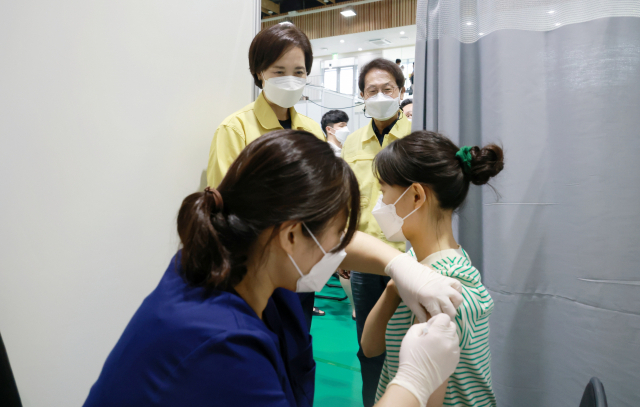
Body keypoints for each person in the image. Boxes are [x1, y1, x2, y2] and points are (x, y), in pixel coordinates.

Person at [83, 130, 463, 407]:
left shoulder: (216, 258)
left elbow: (334, 246)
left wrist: (396, 263)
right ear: (291, 235)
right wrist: (415, 381)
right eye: (336, 236)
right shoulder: (223, 346)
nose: (338, 253)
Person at [361, 131, 504, 406]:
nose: (380, 205)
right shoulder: (425, 262)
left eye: (383, 192)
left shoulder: (440, 297)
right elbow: (370, 348)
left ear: (416, 196)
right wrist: (393, 287)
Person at [207, 23, 326, 326]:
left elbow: (324, 198)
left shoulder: (313, 132)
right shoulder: (236, 129)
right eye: (278, 71)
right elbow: (224, 207)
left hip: (304, 265)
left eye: (299, 72)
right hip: (256, 270)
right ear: (259, 72)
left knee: (298, 349)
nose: (290, 80)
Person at [341, 57, 411, 407]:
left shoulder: (416, 136)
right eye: (373, 90)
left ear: (401, 92)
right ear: (362, 96)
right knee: (369, 349)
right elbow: (347, 197)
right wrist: (341, 246)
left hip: (411, 261)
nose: (381, 95)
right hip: (366, 263)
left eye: (388, 89)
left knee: (411, 350)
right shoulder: (352, 142)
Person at [320, 109, 355, 318]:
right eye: (342, 126)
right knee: (343, 260)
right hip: (332, 211)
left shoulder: (345, 150)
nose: (346, 130)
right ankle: (354, 306)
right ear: (329, 129)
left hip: (345, 208)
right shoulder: (325, 153)